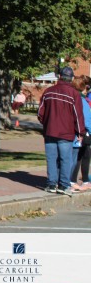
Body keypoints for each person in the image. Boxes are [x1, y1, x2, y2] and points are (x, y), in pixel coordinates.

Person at [38, 66, 85, 195]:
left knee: (51, 158)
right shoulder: (74, 94)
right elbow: (78, 115)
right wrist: (80, 132)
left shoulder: (48, 92)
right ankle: (63, 185)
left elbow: (40, 113)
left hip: (50, 130)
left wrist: (47, 123)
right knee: (65, 159)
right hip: (66, 132)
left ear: (59, 76)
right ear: (72, 78)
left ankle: (51, 184)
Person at [73, 76, 91, 191]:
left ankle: (81, 180)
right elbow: (86, 119)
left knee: (81, 156)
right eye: (87, 88)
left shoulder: (78, 98)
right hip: (83, 132)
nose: (88, 91)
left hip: (79, 132)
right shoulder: (81, 100)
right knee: (81, 156)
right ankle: (74, 181)